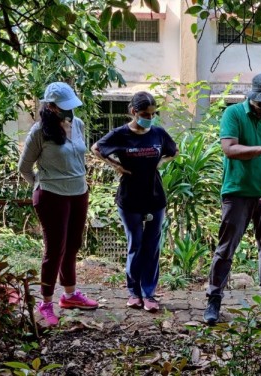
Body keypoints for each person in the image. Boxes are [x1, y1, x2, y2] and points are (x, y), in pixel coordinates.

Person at [203, 72, 261, 325]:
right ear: (254, 97)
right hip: (237, 192)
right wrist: (260, 149)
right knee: (225, 249)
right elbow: (229, 149)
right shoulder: (233, 114)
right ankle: (214, 300)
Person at [18, 82, 98, 326]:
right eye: (63, 107)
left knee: (73, 244)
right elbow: (24, 168)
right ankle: (46, 302)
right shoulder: (40, 131)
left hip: (79, 191)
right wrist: (41, 184)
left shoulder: (79, 124)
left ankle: (70, 295)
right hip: (51, 194)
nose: (69, 111)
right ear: (51, 107)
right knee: (54, 250)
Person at [91, 91, 178, 312]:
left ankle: (149, 293)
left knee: (152, 247)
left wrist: (161, 162)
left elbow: (173, 151)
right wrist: (115, 166)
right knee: (135, 245)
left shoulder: (158, 133)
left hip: (155, 197)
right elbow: (95, 149)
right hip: (129, 198)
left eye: (153, 113)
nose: (150, 117)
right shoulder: (120, 134)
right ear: (133, 112)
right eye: (145, 114)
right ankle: (133, 292)